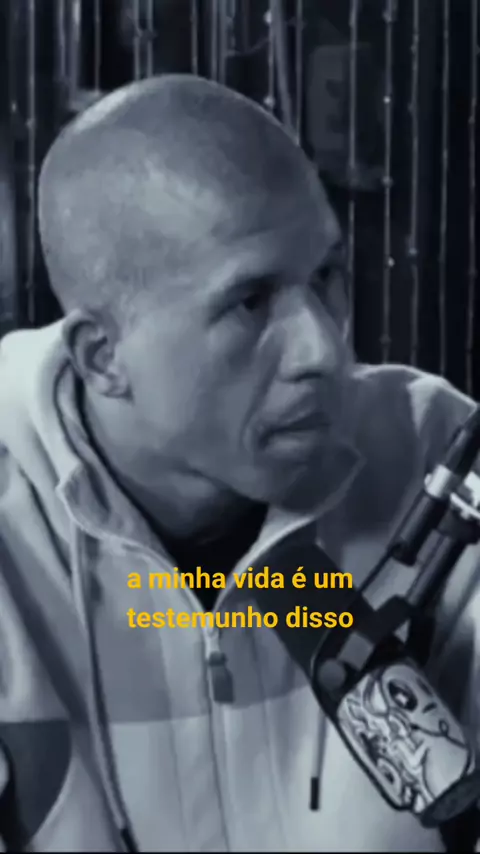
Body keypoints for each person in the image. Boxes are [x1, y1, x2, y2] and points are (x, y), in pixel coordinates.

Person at [0, 74, 478, 853]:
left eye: (326, 277)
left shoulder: (441, 462)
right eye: (250, 302)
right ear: (103, 355)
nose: (324, 349)